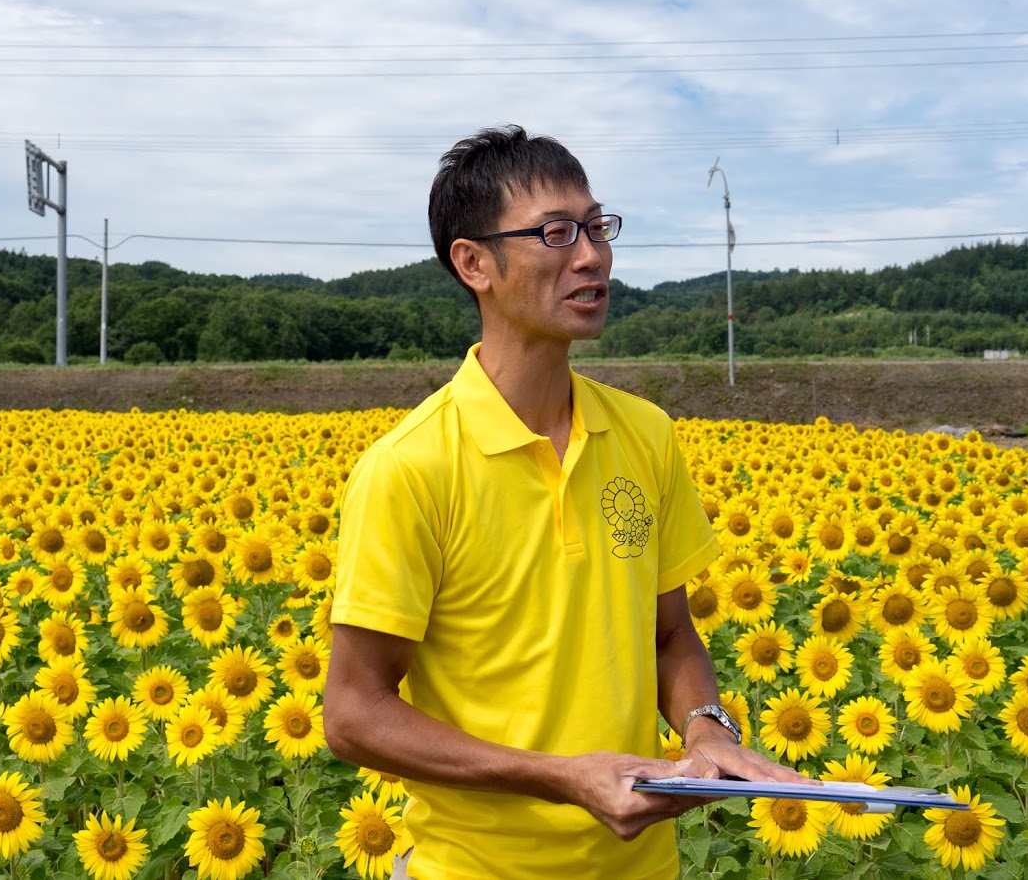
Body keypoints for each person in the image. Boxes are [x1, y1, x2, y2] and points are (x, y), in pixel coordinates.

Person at [323, 125, 808, 879]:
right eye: (555, 232)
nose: (591, 255)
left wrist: (705, 730)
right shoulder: (410, 468)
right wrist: (561, 776)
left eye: (595, 226)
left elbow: (668, 635)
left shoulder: (643, 434)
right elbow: (354, 715)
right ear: (473, 262)